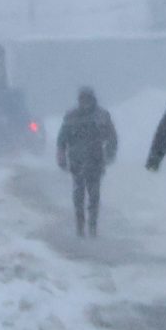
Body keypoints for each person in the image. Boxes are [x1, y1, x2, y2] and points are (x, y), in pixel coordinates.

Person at [54, 87, 119, 237]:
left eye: (87, 99)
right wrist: (61, 156)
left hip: (95, 160)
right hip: (76, 161)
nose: (85, 103)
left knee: (94, 195)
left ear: (92, 99)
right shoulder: (71, 117)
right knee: (78, 194)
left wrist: (109, 154)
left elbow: (112, 137)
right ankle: (80, 224)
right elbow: (62, 139)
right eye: (82, 100)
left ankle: (92, 225)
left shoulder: (101, 116)